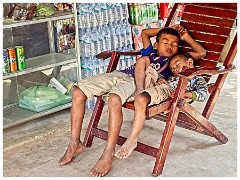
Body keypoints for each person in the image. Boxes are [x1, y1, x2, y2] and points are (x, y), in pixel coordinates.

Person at [59, 25, 205, 177]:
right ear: (156, 44)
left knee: (114, 99)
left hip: (137, 82)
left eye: (174, 45)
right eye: (165, 42)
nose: (169, 46)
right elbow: (145, 32)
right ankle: (74, 143)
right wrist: (168, 29)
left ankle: (108, 152)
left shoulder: (176, 61)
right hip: (121, 74)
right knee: (78, 91)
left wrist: (185, 37)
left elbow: (201, 53)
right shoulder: (150, 52)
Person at [114, 52, 209, 159]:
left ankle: (132, 139)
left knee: (145, 95)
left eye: (177, 65)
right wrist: (160, 80)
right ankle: (137, 90)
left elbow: (204, 95)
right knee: (150, 72)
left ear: (190, 62)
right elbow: (166, 83)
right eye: (173, 69)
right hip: (161, 89)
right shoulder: (174, 78)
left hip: (170, 95)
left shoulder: (197, 78)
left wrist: (185, 94)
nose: (175, 70)